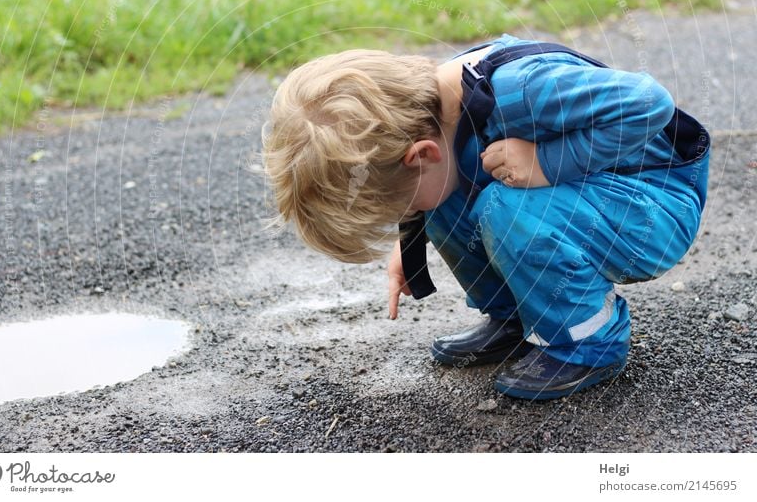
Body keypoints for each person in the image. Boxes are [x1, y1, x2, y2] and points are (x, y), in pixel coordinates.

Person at [262, 34, 710, 400]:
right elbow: (434, 183)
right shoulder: (435, 111)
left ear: (421, 155)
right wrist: (411, 233)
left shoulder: (525, 92)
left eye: (399, 208)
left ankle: (588, 343)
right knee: (447, 198)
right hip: (594, 195)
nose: (406, 216)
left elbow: (650, 103)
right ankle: (519, 317)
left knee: (507, 207)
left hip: (654, 202)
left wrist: (547, 161)